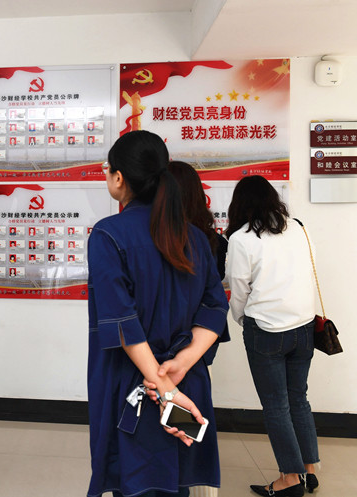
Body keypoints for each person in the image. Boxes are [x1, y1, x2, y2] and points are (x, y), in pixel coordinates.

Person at [87, 131, 228, 497]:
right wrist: (180, 365)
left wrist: (164, 386)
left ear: (119, 177)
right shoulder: (194, 237)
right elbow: (215, 307)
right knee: (176, 481)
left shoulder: (108, 234)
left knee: (136, 483)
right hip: (184, 383)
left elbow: (122, 320)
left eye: (107, 169)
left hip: (135, 383)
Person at [225, 176, 320, 497]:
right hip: (304, 326)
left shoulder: (242, 238)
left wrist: (242, 319)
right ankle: (309, 470)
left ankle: (289, 479)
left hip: (266, 330)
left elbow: (238, 289)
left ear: (240, 204)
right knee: (298, 398)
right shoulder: (298, 227)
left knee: (276, 406)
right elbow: (310, 268)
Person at [168, 160, 230, 366]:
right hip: (206, 331)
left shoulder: (156, 238)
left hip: (170, 334)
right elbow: (217, 283)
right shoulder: (214, 240)